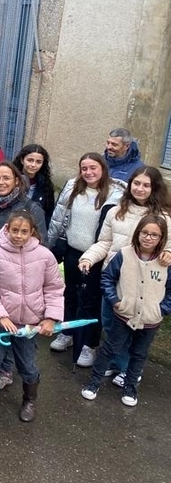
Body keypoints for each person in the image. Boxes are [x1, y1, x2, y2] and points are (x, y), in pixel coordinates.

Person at [77, 166, 171, 378]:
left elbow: (168, 246)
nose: (140, 188)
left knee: (135, 328)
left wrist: (168, 254)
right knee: (111, 324)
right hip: (115, 277)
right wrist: (88, 258)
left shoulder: (164, 218)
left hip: (145, 283)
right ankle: (117, 361)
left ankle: (129, 370)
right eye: (136, 183)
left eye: (146, 185)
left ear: (154, 188)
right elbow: (105, 242)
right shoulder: (115, 211)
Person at [0, 212, 64, 426]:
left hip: (30, 325)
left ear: (32, 231)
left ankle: (30, 400)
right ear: (7, 229)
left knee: (28, 365)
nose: (19, 236)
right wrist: (0, 315)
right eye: (15, 230)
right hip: (1, 324)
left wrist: (51, 317)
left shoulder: (44, 256)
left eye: (24, 231)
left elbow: (54, 288)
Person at [80, 215, 171, 407]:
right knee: (110, 348)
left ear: (161, 238)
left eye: (154, 235)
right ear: (138, 233)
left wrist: (162, 309)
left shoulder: (166, 263)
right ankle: (93, 383)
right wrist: (114, 301)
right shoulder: (124, 254)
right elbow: (107, 278)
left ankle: (130, 387)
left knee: (139, 354)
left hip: (150, 320)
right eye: (145, 233)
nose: (148, 238)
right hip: (123, 315)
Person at [45, 153, 125, 365]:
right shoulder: (73, 187)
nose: (88, 172)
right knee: (70, 293)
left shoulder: (115, 194)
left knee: (91, 300)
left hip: (97, 256)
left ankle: (90, 344)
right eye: (84, 168)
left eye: (93, 168)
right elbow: (59, 217)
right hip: (73, 251)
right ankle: (68, 332)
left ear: (103, 169)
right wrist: (50, 244)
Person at [0, 161, 48, 390]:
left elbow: (40, 243)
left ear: (17, 180)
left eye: (6, 178)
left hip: (19, 275)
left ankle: (5, 370)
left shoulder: (30, 208)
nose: (1, 182)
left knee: (13, 324)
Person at [13, 144, 56, 222]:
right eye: (30, 160)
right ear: (22, 160)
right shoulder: (10, 181)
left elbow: (48, 214)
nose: (33, 165)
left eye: (38, 162)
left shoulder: (46, 186)